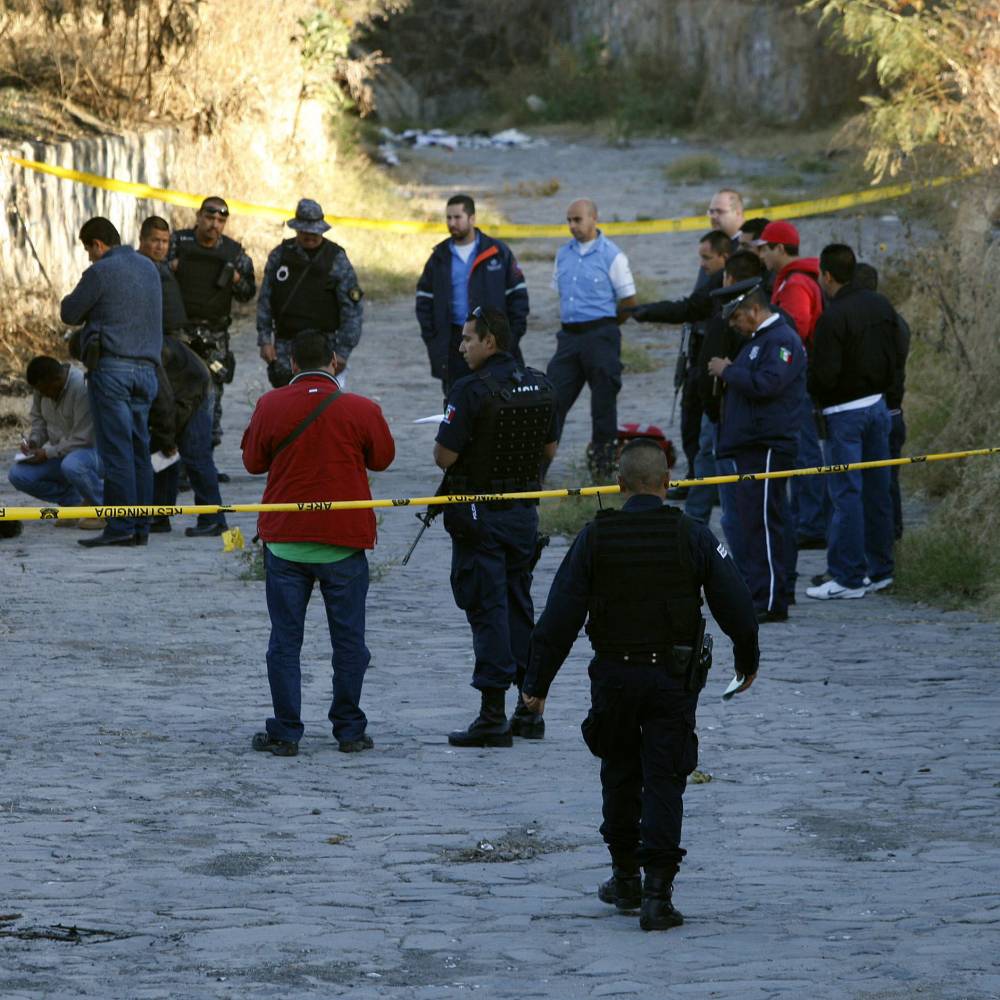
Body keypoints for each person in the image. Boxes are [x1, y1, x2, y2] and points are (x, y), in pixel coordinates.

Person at [521, 438, 759, 931]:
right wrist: (746, 658)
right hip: (672, 680)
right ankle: (658, 894)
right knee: (666, 779)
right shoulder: (691, 534)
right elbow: (735, 601)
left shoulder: (595, 537)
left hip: (615, 676)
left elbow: (560, 616)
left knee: (619, 772)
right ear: (668, 483)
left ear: (620, 485)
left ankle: (625, 875)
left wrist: (536, 685)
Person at [241, 330, 395, 757]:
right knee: (349, 643)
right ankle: (349, 729)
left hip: (286, 543)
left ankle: (286, 731)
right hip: (343, 544)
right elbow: (383, 458)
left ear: (291, 363)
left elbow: (253, 462)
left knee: (284, 643)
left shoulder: (270, 404)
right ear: (334, 361)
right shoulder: (362, 409)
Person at [433, 307, 557, 747]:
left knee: (488, 610)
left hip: (479, 513)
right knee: (519, 604)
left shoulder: (469, 391)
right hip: (522, 511)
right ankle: (529, 709)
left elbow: (444, 457)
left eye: (468, 339)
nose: (461, 346)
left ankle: (492, 714)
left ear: (490, 342)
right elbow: (549, 448)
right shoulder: (541, 384)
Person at [805, 245, 901, 600]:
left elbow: (824, 375)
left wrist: (813, 387)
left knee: (846, 493)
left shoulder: (833, 317)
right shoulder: (881, 305)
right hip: (878, 407)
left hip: (844, 414)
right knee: (878, 491)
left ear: (826, 275)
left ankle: (847, 576)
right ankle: (881, 570)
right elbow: (897, 351)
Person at [709, 280, 806, 622]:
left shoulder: (781, 340)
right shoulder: (758, 341)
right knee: (754, 521)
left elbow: (768, 384)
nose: (733, 325)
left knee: (764, 524)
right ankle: (761, 592)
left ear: (753, 310)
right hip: (751, 444)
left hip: (767, 444)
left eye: (736, 317)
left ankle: (769, 599)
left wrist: (728, 371)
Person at [61, 216, 162, 548]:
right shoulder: (149, 269)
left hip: (112, 372)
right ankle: (142, 526)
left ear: (97, 245)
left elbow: (70, 313)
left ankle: (120, 526)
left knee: (116, 451)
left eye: (89, 250)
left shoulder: (100, 272)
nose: (89, 257)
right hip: (147, 372)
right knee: (139, 450)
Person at [630, 229, 733, 519]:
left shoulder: (722, 287)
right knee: (695, 439)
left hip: (714, 379)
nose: (702, 263)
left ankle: (698, 511)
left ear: (724, 258)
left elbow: (688, 307)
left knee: (705, 447)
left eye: (707, 257)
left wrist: (648, 311)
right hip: (697, 370)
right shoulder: (713, 279)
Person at [138, 215, 227, 537]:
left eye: (165, 241)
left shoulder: (158, 272)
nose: (160, 247)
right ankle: (160, 514)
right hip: (176, 375)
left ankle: (213, 518)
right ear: (142, 240)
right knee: (162, 448)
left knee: (195, 452)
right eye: (155, 241)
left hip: (190, 382)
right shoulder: (146, 271)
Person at [547, 198, 636, 480]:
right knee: (551, 402)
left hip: (601, 336)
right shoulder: (563, 254)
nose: (573, 225)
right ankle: (537, 471)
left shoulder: (613, 255)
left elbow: (629, 301)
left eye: (578, 219)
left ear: (594, 218)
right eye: (569, 220)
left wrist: (606, 325)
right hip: (569, 337)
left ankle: (602, 472)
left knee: (603, 407)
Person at [753, 219, 828, 551]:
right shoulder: (792, 280)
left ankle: (811, 523)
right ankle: (806, 519)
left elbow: (793, 333)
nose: (762, 257)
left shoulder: (795, 284)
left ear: (779, 249)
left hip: (797, 382)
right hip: (800, 378)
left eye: (764, 249)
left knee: (804, 450)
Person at [693, 250, 769, 568]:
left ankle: (745, 573)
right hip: (729, 420)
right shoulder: (749, 324)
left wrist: (714, 405)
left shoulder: (737, 326)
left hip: (730, 423)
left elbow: (754, 380)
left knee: (736, 509)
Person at [416, 193, 529, 396]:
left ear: (472, 218)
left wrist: (509, 337)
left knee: (499, 401)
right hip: (454, 344)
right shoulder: (439, 257)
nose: (452, 223)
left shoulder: (497, 252)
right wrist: (433, 339)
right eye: (448, 218)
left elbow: (518, 296)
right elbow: (424, 300)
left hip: (492, 343)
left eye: (457, 217)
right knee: (457, 403)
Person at [169, 196, 256, 457]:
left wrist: (237, 279)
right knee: (176, 394)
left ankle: (204, 458)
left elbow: (247, 293)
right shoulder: (177, 243)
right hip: (179, 334)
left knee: (213, 394)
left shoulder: (233, 252)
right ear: (198, 216)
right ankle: (177, 459)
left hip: (214, 336)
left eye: (220, 220)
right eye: (209, 217)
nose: (214, 224)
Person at [257, 198, 364, 390]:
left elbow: (352, 310)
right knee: (286, 406)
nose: (310, 236)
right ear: (296, 228)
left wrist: (342, 352)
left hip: (324, 347)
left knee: (323, 406)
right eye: (305, 231)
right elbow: (265, 301)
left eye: (315, 231)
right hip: (285, 347)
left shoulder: (336, 258)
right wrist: (265, 340)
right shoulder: (280, 255)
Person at [8, 356, 104, 529]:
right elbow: (39, 421)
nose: (43, 395)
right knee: (18, 475)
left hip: (92, 454)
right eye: (39, 391)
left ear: (57, 379)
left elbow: (84, 439)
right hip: (62, 453)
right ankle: (73, 505)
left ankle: (103, 508)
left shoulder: (81, 387)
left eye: (45, 390)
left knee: (72, 465)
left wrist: (47, 453)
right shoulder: (41, 388)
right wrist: (34, 442)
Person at [854, 262, 910, 540]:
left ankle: (884, 540)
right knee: (888, 484)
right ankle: (891, 536)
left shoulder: (874, 325)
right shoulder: (894, 320)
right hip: (893, 410)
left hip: (880, 410)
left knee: (878, 486)